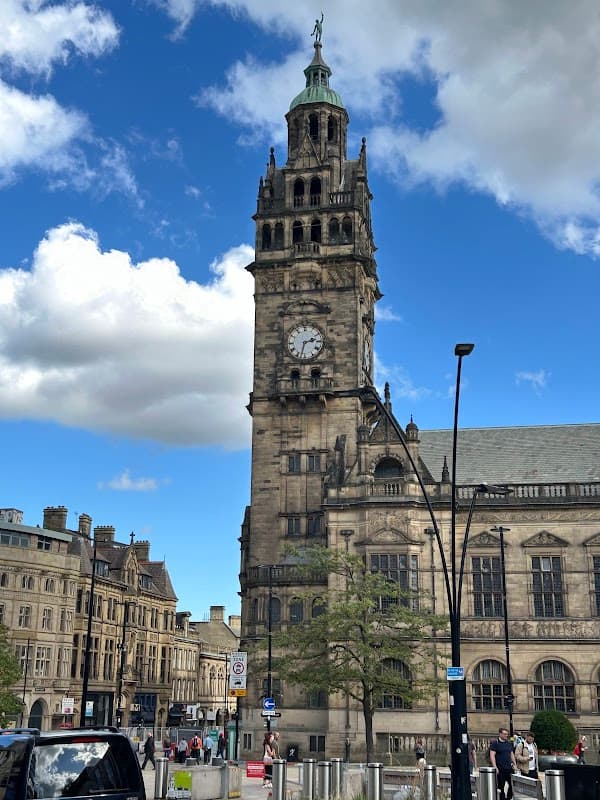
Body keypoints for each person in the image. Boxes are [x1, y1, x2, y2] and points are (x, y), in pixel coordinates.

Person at [490, 727, 517, 800]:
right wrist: (495, 767)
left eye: (507, 734)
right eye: (504, 734)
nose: (506, 736)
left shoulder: (509, 743)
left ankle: (508, 797)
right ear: (500, 734)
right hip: (500, 768)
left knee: (512, 784)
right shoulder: (495, 743)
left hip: (509, 768)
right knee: (501, 786)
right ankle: (502, 798)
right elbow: (492, 755)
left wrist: (514, 764)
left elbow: (511, 754)